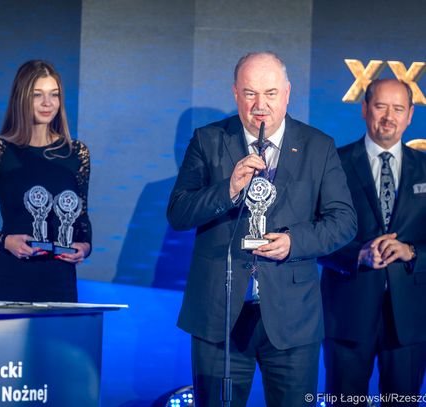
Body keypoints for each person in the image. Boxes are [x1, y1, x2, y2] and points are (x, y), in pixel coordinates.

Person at [167, 52, 357, 406]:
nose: (260, 105)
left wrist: (294, 242)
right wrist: (229, 188)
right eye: (250, 93)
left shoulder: (318, 146)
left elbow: (344, 221)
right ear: (235, 93)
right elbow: (179, 213)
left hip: (292, 319)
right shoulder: (208, 140)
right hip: (220, 316)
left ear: (287, 93)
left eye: (270, 93)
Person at [320, 79, 426, 405]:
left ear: (410, 115)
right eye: (381, 106)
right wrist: (357, 256)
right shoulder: (333, 163)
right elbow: (315, 234)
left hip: (409, 318)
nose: (388, 117)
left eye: (398, 109)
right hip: (347, 314)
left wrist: (412, 252)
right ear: (365, 109)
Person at [0, 60, 91, 302]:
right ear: (21, 98)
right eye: (37, 95)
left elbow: (82, 217)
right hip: (11, 275)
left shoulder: (77, 153)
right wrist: (5, 241)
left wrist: (85, 247)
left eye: (54, 94)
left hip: (60, 280)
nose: (48, 103)